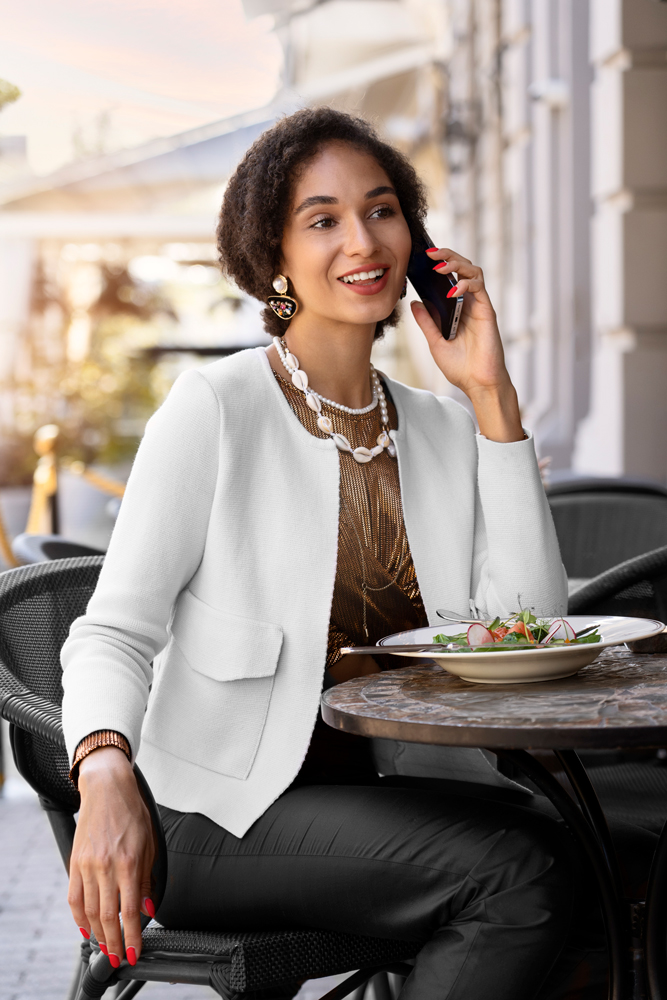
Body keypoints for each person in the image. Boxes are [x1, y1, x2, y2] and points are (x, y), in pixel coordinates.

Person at [62, 107, 576, 999]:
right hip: (218, 810)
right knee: (515, 875)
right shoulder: (216, 408)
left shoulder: (445, 426)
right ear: (274, 257)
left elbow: (526, 631)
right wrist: (105, 768)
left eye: (382, 210)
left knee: (602, 859)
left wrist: (491, 396)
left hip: (390, 790)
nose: (361, 240)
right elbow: (112, 631)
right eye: (322, 219)